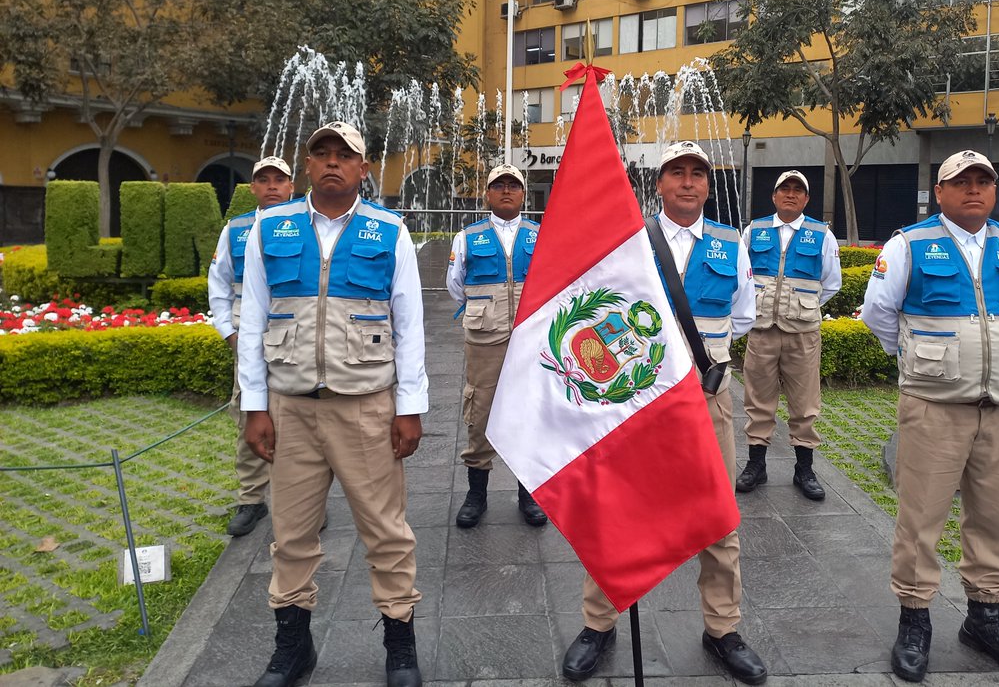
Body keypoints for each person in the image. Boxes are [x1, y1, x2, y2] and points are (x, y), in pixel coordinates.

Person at [562, 141, 767, 686]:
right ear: (659, 183)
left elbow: (742, 315)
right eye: (677, 172)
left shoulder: (730, 244)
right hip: (636, 402)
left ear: (707, 184)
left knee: (718, 515)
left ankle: (723, 628)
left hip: (706, 398)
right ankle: (598, 624)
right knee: (613, 510)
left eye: (698, 173)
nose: (689, 182)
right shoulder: (630, 242)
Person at [238, 121, 427, 687]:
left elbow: (410, 325)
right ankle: (293, 646)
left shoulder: (388, 231)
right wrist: (255, 406)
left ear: (363, 168)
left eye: (344, 154)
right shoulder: (269, 228)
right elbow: (252, 321)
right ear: (307, 165)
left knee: (387, 533)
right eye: (320, 153)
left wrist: (410, 406)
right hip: (291, 407)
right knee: (291, 536)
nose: (331, 162)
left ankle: (400, 644)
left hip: (366, 406)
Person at [860, 149, 999, 683]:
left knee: (995, 517)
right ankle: (915, 621)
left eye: (982, 181)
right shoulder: (909, 245)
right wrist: (926, 360)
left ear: (993, 191)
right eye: (959, 182)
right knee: (921, 519)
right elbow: (878, 313)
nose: (973, 190)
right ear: (938, 192)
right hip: (934, 408)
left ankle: (985, 620)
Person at [445, 163, 546, 528]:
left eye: (513, 186)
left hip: (530, 341)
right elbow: (455, 285)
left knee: (530, 413)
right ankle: (477, 494)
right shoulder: (468, 237)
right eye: (498, 186)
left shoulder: (541, 234)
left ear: (522, 194)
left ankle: (529, 494)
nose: (506, 191)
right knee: (480, 412)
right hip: (485, 339)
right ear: (487, 194)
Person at [736, 170, 842, 500]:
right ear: (774, 196)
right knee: (757, 401)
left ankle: (804, 469)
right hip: (762, 331)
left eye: (798, 190)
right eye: (785, 189)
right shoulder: (754, 231)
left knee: (805, 404)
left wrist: (802, 306)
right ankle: (756, 465)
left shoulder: (822, 235)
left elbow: (831, 283)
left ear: (807, 199)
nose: (791, 194)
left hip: (803, 334)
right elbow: (742, 277)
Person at [208, 155, 294, 537]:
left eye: (280, 180)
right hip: (249, 340)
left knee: (298, 423)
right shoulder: (236, 230)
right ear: (253, 188)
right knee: (249, 417)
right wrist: (229, 333)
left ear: (292, 186)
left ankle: (301, 503)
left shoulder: (305, 225)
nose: (272, 186)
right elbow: (219, 285)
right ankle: (251, 499)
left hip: (293, 337)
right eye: (264, 180)